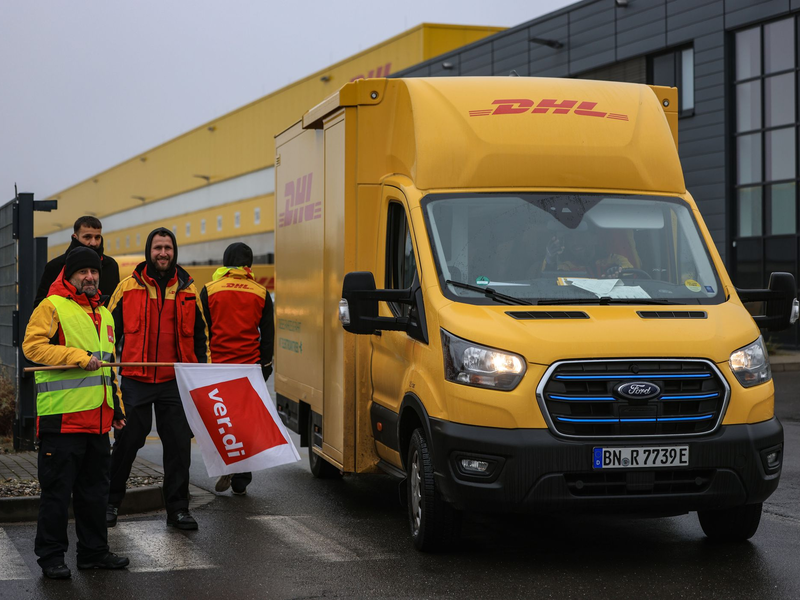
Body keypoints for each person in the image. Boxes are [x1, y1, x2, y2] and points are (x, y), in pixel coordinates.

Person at [22, 247, 129, 580]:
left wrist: (117, 407)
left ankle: (94, 552)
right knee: (57, 495)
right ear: (68, 275)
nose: (90, 277)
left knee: (94, 493)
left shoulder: (106, 314)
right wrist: (78, 356)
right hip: (62, 421)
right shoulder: (52, 306)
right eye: (83, 272)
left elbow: (109, 368)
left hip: (98, 423)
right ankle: (52, 557)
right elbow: (32, 347)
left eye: (94, 272)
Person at [106, 227, 209, 530]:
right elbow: (107, 336)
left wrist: (200, 380)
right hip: (136, 379)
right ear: (148, 252)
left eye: (168, 248)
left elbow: (202, 339)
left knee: (178, 446)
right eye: (157, 248)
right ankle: (110, 503)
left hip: (175, 381)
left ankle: (178, 509)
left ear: (174, 251)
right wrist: (110, 380)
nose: (163, 253)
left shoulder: (189, 290)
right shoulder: (127, 287)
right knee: (127, 442)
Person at [200, 242, 274, 496]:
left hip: (218, 367)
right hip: (248, 368)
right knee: (244, 422)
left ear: (224, 263)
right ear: (248, 265)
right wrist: (265, 366)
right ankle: (242, 475)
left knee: (222, 420)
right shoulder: (260, 292)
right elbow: (268, 335)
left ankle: (226, 462)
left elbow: (202, 331)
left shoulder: (209, 290)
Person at [34, 216, 120, 308]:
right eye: (87, 237)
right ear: (75, 237)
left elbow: (116, 304)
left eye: (97, 237)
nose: (93, 243)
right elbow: (41, 306)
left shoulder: (111, 266)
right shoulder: (56, 266)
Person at [543, 229, 633, 277]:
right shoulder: (566, 267)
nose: (575, 242)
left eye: (581, 236)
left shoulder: (615, 260)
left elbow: (630, 274)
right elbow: (551, 285)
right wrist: (550, 259)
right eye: (570, 238)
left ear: (595, 239)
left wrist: (617, 273)